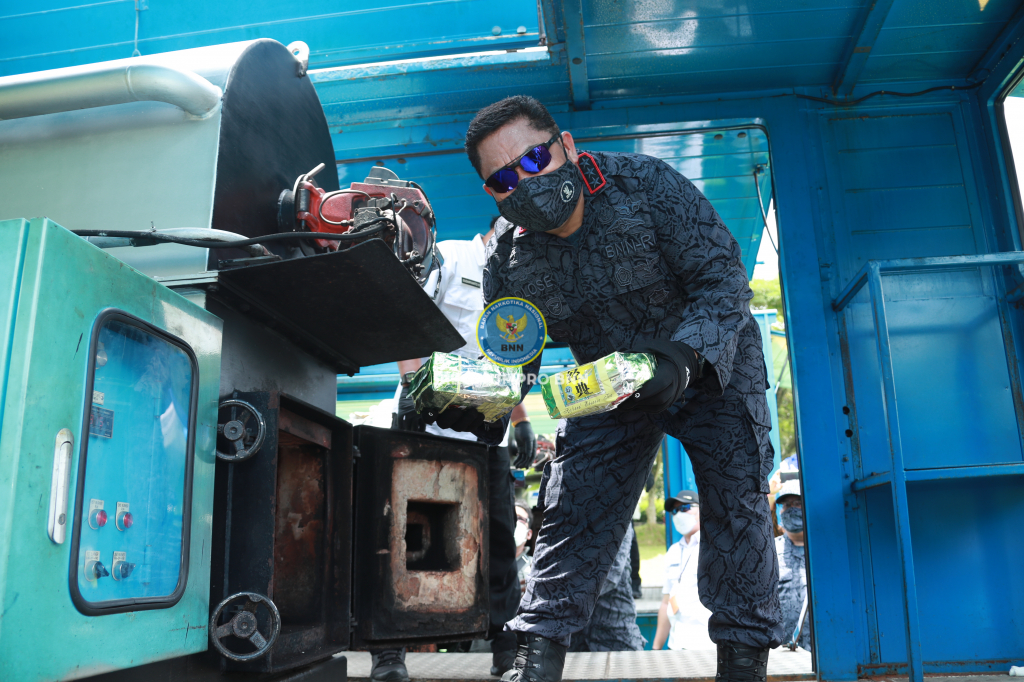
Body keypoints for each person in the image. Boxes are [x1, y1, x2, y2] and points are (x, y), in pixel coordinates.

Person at [425, 95, 783, 682]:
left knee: (735, 502)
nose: (526, 181)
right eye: (505, 178)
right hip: (610, 384)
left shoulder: (645, 186)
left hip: (710, 365)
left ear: (565, 145)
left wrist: (682, 358)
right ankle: (536, 661)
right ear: (492, 192)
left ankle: (742, 666)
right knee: (573, 506)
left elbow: (722, 281)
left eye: (534, 159)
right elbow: (516, 358)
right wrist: (486, 407)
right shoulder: (509, 261)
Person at [373, 218, 538, 682]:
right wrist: (411, 386)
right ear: (496, 229)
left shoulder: (522, 282)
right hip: (425, 422)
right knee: (409, 535)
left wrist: (521, 421)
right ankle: (390, 649)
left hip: (487, 433)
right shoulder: (450, 256)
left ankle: (506, 648)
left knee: (498, 541)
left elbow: (512, 358)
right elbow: (408, 320)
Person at [652, 491, 715, 651]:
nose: (679, 514)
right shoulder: (673, 551)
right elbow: (666, 602)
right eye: (675, 511)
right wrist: (656, 649)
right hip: (676, 646)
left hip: (707, 647)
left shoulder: (714, 548)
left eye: (685, 508)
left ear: (701, 510)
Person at [774, 479, 812, 653]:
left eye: (798, 503)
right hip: (782, 653)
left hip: (824, 653)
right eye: (787, 505)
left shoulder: (826, 552)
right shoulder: (769, 552)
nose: (791, 509)